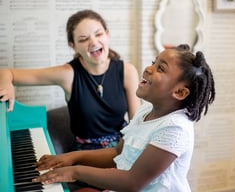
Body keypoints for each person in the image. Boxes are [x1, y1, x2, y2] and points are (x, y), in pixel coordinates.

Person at [32, 44, 216, 192]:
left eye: (160, 68)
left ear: (180, 92)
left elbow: (132, 183)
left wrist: (75, 171)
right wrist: (73, 157)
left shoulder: (175, 128)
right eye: (154, 62)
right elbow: (118, 153)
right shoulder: (147, 110)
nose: (149, 68)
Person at [0, 9, 141, 151]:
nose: (93, 42)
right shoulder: (68, 74)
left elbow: (137, 125)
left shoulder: (127, 71)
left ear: (107, 35)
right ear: (73, 45)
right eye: (83, 39)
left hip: (122, 147)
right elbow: (6, 73)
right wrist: (7, 84)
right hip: (87, 154)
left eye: (99, 34)